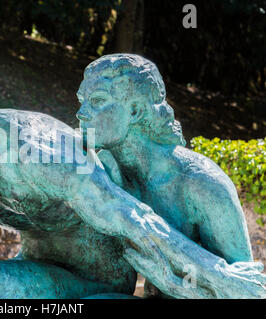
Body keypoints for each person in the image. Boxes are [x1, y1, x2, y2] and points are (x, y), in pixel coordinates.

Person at [0, 28, 266, 299]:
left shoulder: (31, 146)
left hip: (101, 277)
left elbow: (128, 215)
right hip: (44, 276)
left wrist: (222, 277)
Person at [76, 54, 257, 296]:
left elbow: (249, 290)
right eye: (81, 101)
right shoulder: (104, 170)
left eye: (97, 100)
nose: (81, 113)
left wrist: (173, 279)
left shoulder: (201, 184)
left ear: (135, 111)